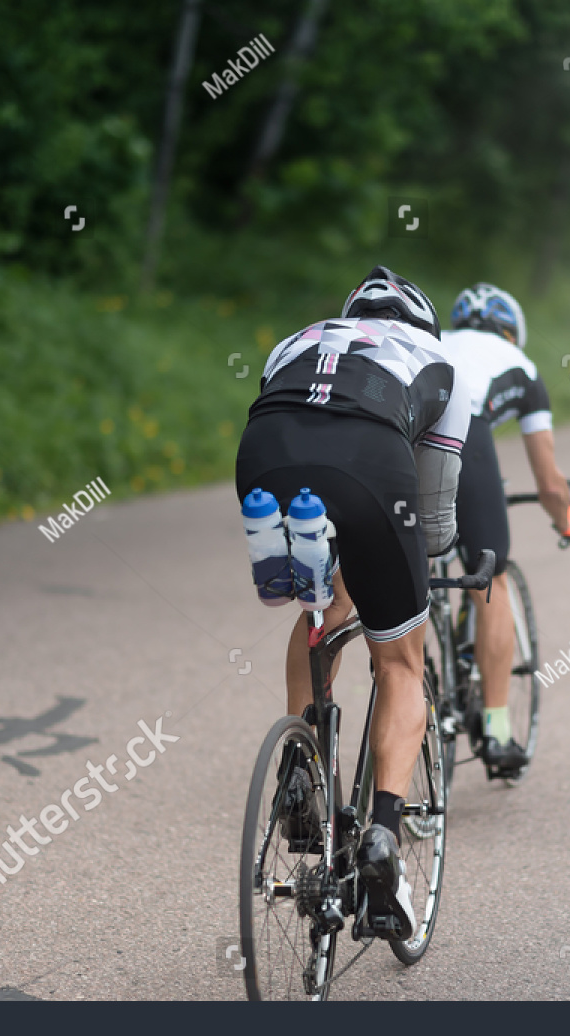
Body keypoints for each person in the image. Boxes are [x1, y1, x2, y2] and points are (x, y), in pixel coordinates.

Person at [236, 265, 471, 940]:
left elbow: (301, 425)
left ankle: (300, 768)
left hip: (265, 451)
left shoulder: (297, 340)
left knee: (322, 599)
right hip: (373, 457)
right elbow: (433, 516)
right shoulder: (437, 360)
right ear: (422, 323)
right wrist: (423, 570)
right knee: (400, 661)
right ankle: (382, 839)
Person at [442, 283, 570, 774]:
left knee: (413, 570)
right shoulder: (521, 368)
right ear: (512, 330)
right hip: (465, 435)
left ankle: (411, 697)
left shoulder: (434, 341)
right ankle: (499, 730)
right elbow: (548, 481)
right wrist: (565, 517)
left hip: (401, 432)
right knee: (490, 574)